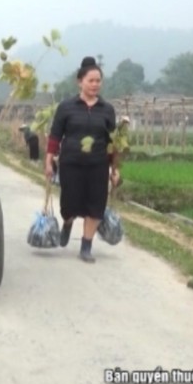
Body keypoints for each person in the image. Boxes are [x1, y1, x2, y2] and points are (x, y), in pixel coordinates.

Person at [44, 56, 121, 263]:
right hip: (71, 163)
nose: (95, 85)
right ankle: (67, 222)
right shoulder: (66, 107)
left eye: (98, 81)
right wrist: (49, 161)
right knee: (69, 204)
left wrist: (115, 169)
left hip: (98, 165)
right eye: (91, 81)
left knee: (96, 205)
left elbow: (113, 142)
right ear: (80, 82)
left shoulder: (107, 110)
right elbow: (55, 136)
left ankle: (86, 246)